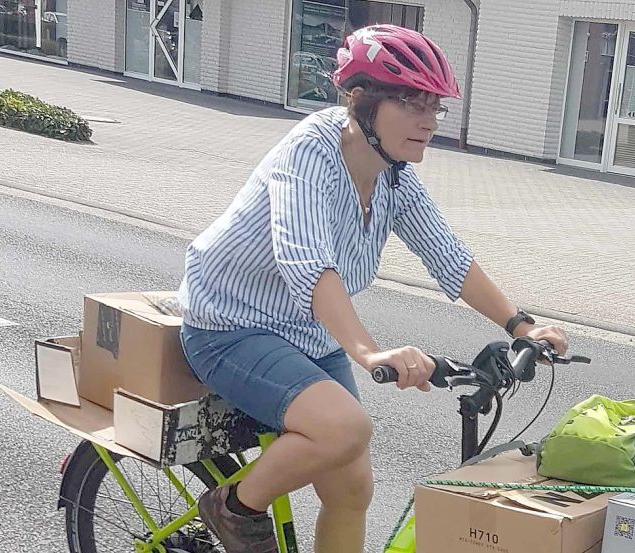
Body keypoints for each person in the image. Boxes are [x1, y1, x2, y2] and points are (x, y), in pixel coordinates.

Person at [177, 24, 569, 553]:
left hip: (307, 333)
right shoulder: (309, 154)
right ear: (361, 101)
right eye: (412, 104)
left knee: (353, 488)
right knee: (343, 429)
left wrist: (522, 326)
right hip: (231, 325)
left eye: (435, 108)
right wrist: (367, 350)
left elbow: (447, 255)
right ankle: (233, 507)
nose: (428, 122)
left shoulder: (393, 173)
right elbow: (308, 262)